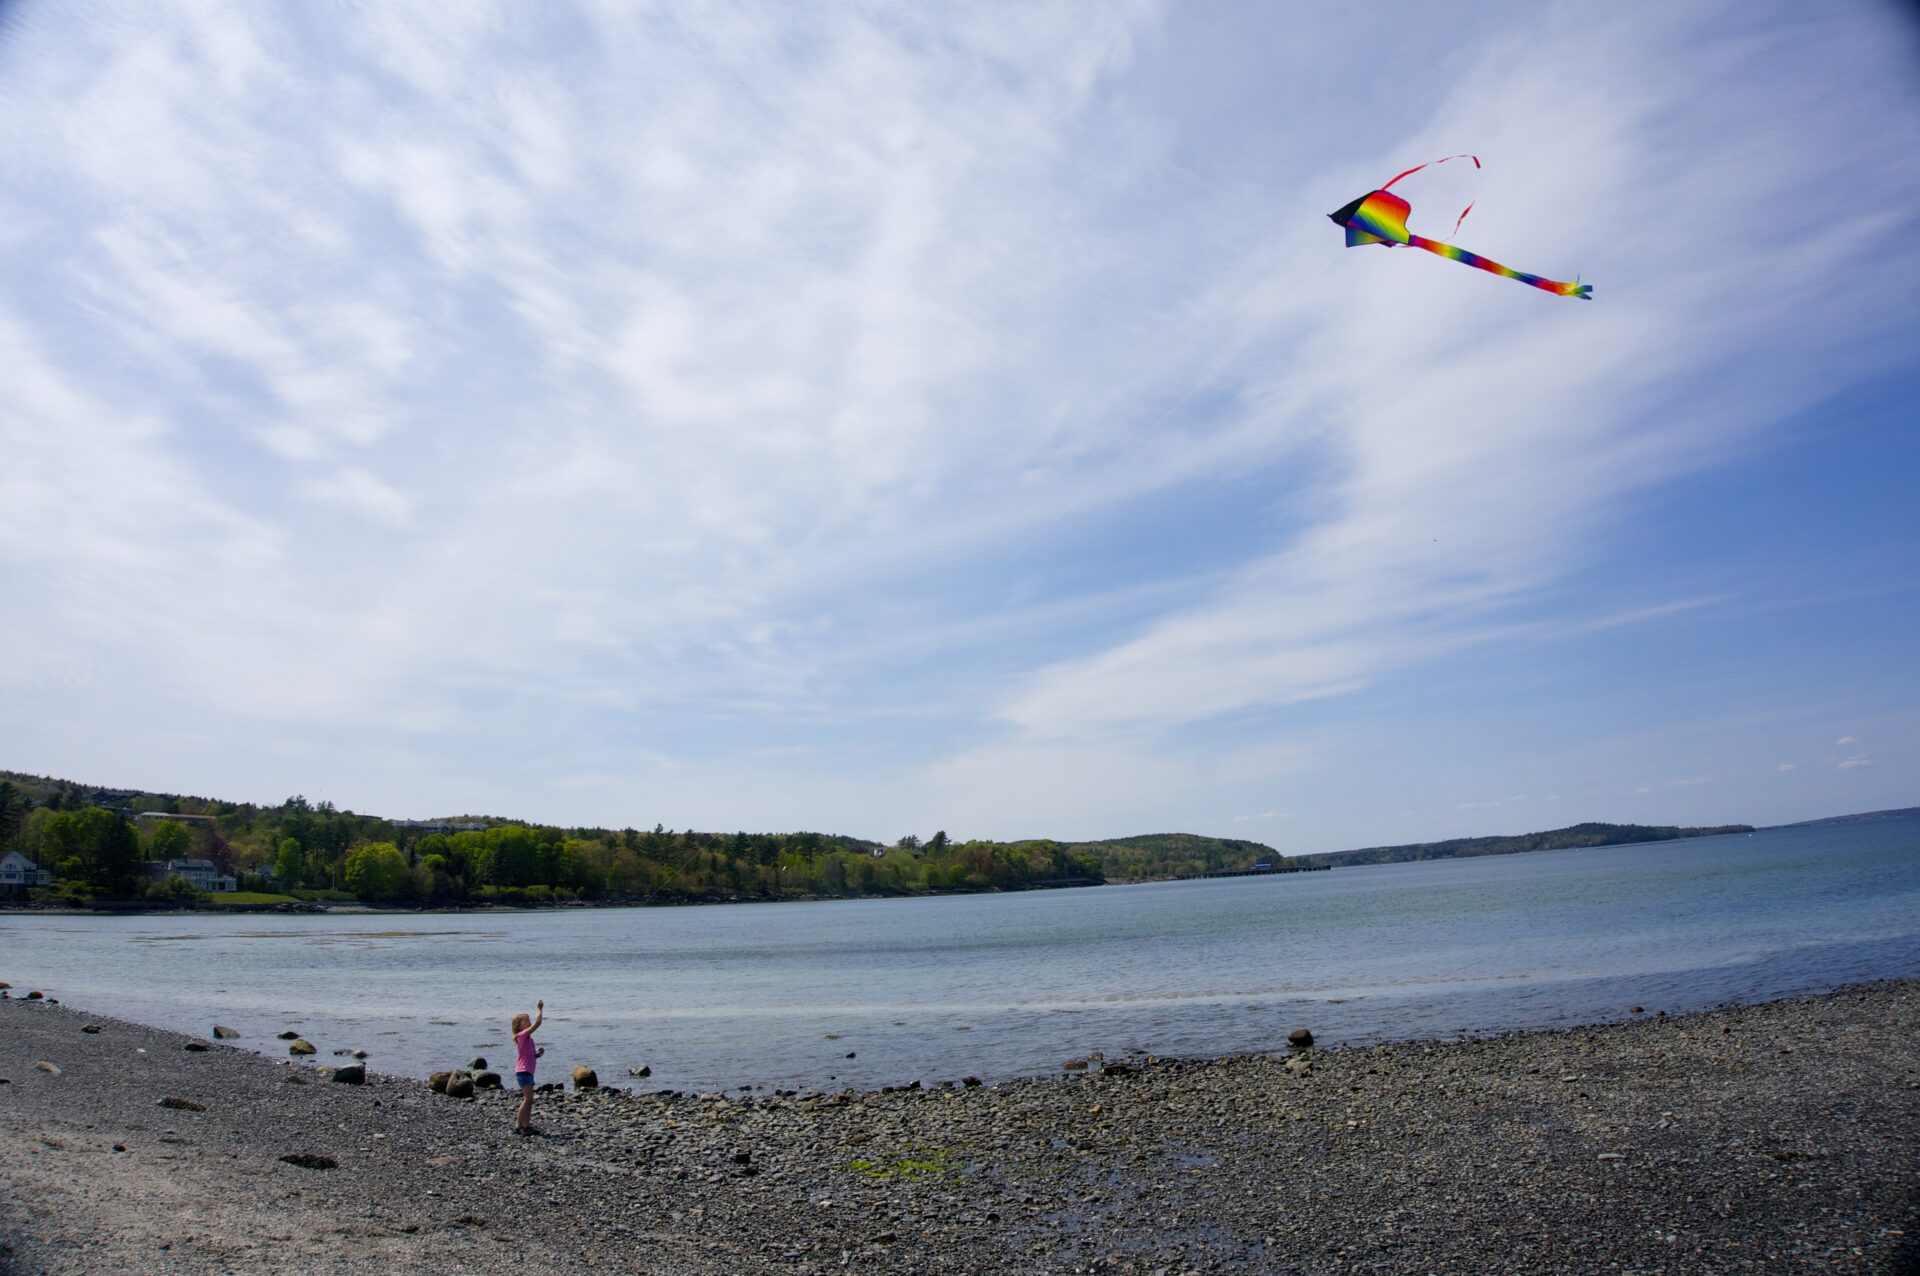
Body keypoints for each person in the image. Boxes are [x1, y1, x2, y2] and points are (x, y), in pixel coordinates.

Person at [511, 999, 544, 1135]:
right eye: (526, 1021)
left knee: (530, 1100)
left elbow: (530, 1056)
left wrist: (538, 1054)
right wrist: (540, 1009)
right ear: (519, 1026)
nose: (529, 1022)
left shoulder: (528, 1039)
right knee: (528, 1099)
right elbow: (538, 1023)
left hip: (528, 1071)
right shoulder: (522, 1035)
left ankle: (526, 1125)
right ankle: (519, 1126)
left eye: (529, 1020)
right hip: (523, 1071)